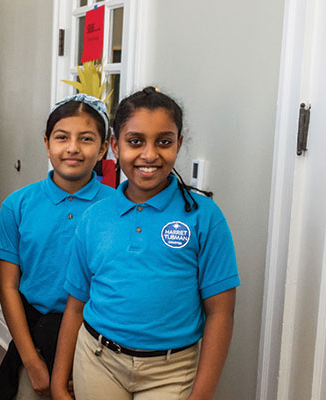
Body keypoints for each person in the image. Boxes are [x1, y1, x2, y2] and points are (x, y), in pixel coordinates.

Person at [50, 87, 239, 400]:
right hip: (98, 361)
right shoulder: (96, 216)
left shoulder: (204, 216)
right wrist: (59, 380)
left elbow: (220, 312)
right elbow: (75, 304)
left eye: (163, 142)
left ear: (178, 144)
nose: (149, 154)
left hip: (171, 370)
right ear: (114, 145)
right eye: (135, 141)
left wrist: (201, 395)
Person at [0, 94, 116, 400]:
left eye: (86, 139)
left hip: (99, 341)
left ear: (103, 148)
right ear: (47, 143)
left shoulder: (118, 207)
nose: (72, 148)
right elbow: (8, 287)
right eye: (62, 137)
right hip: (35, 337)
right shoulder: (18, 206)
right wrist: (31, 361)